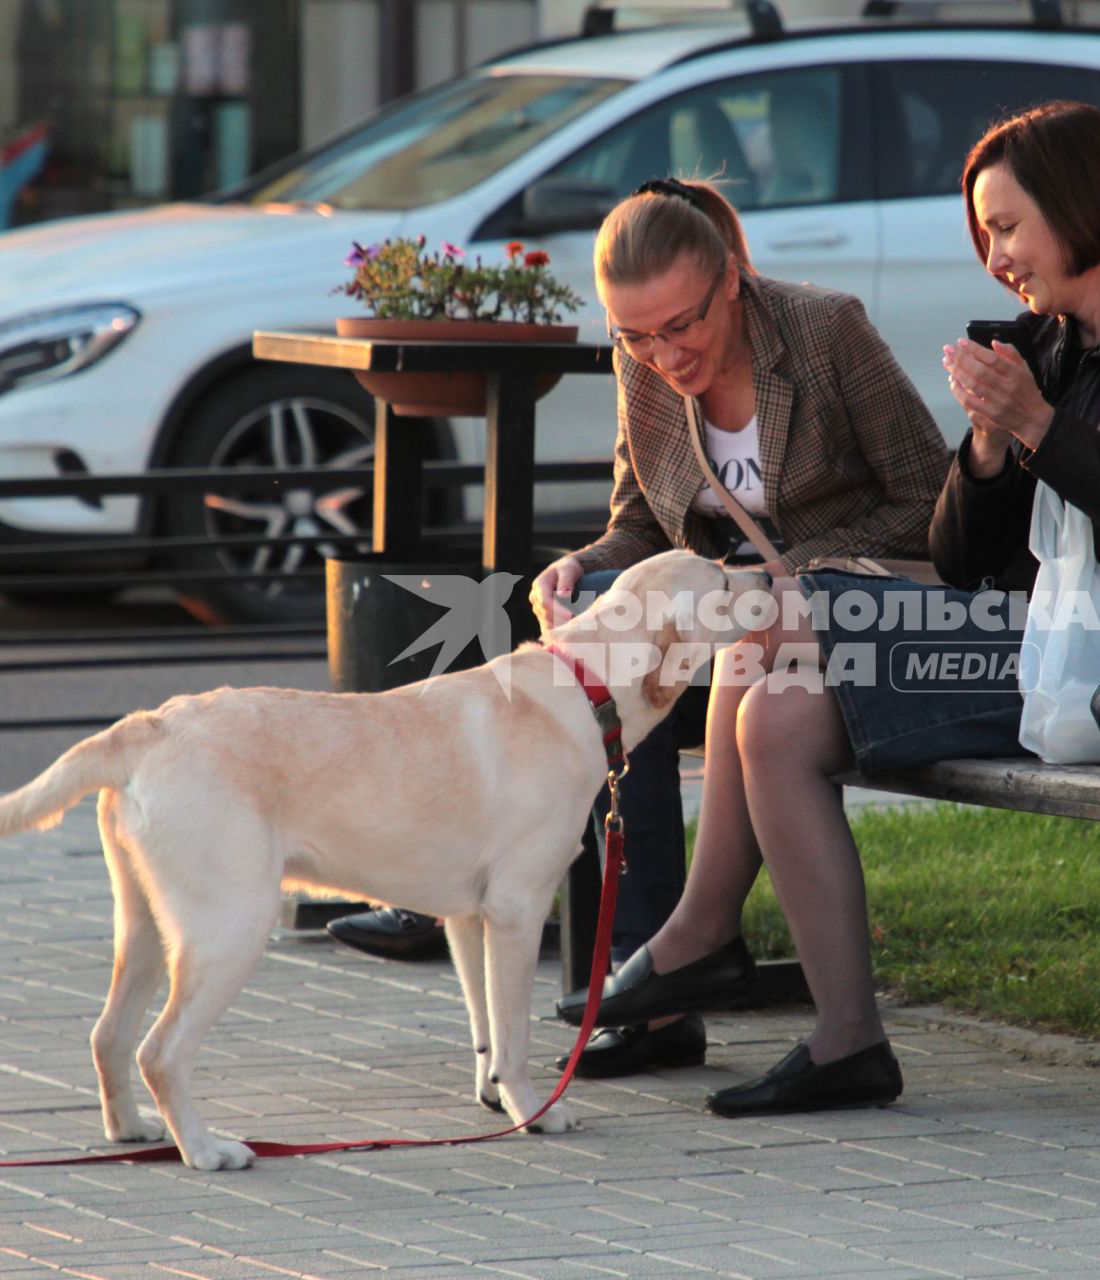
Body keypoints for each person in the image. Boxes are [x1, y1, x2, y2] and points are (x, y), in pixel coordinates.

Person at [556, 102, 1100, 1116]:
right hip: (1017, 643)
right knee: (773, 710)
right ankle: (847, 1039)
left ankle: (698, 935)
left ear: (1079, 204)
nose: (995, 255)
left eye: (1007, 226)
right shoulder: (1038, 346)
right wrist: (983, 451)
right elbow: (961, 558)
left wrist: (1040, 428)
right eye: (986, 233)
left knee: (766, 636)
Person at [344, 176, 951, 1078]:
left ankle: (686, 952)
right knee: (600, 659)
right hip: (735, 606)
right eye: (634, 334)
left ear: (732, 282)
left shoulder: (826, 333)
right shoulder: (645, 366)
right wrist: (585, 565)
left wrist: (781, 574)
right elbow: (644, 523)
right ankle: (658, 983)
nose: (662, 353)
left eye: (682, 326)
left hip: (872, 593)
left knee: (728, 649)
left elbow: (930, 504)